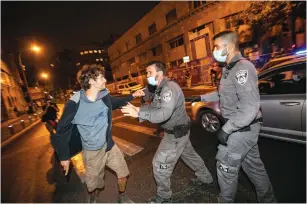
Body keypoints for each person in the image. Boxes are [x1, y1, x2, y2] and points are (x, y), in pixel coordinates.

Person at [193, 30, 276, 203]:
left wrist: (227, 129)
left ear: (229, 46)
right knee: (254, 168)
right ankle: (269, 200)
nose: (214, 50)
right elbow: (221, 93)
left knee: (224, 166)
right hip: (242, 127)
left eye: (216, 46)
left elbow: (250, 107)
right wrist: (201, 98)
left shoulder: (242, 68)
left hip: (241, 128)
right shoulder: (228, 69)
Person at [121, 61, 213, 203]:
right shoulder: (159, 88)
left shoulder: (169, 88)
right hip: (179, 131)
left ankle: (164, 196)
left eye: (149, 72)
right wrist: (139, 110)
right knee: (190, 155)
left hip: (176, 134)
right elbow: (154, 108)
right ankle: (206, 177)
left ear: (159, 74)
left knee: (159, 165)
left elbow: (164, 114)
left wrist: (139, 114)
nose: (147, 76)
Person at [53, 64, 145, 203]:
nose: (105, 80)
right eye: (101, 77)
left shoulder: (104, 96)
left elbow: (115, 102)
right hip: (91, 152)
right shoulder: (75, 103)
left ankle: (122, 196)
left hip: (109, 146)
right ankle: (94, 196)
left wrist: (133, 95)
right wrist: (64, 157)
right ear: (91, 81)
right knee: (94, 185)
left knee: (123, 174)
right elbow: (62, 130)